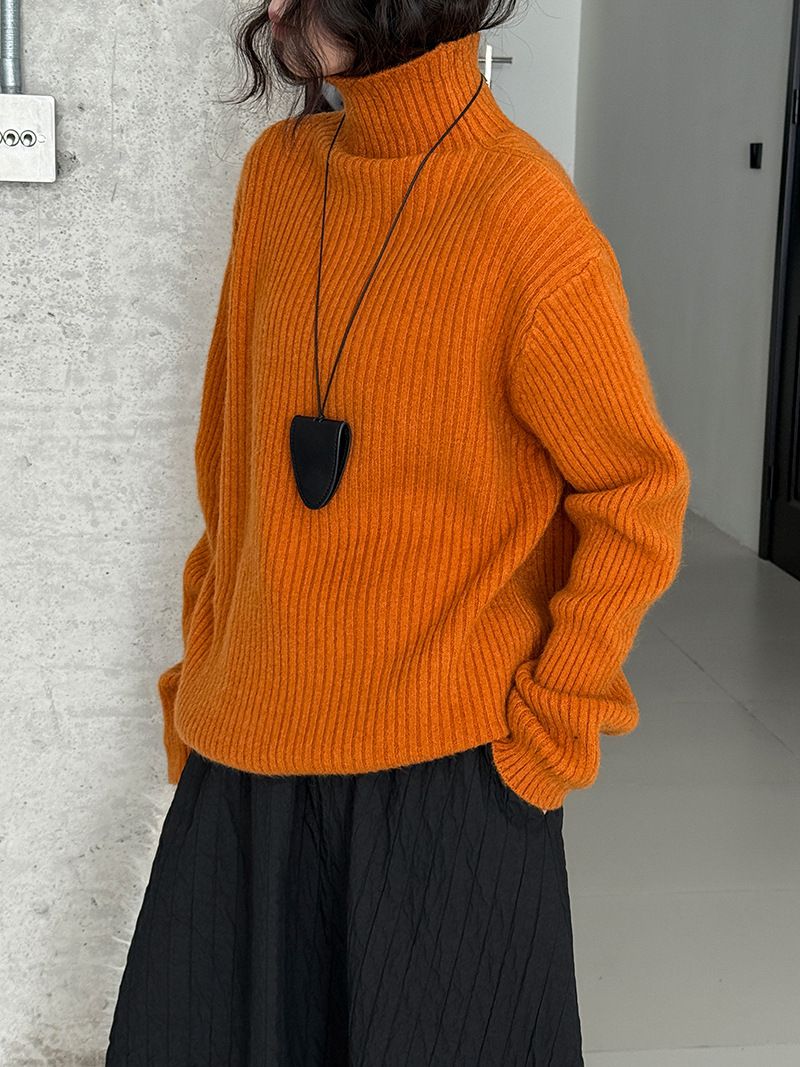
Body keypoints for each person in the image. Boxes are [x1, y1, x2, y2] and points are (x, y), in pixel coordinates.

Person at [105, 3, 691, 1064]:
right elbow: (230, 465)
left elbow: (634, 491)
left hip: (446, 780)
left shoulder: (524, 216)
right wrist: (202, 678)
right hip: (247, 760)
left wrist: (551, 728)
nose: (270, 8)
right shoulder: (278, 176)